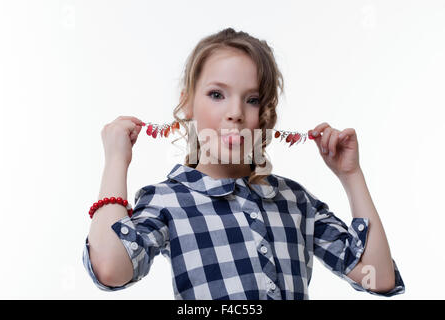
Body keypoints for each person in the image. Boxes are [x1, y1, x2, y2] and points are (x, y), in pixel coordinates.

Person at [82, 27, 405, 299]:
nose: (235, 112)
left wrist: (351, 175)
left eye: (252, 99)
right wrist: (116, 161)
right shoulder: (167, 200)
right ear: (187, 103)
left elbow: (378, 279)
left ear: (265, 113)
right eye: (216, 94)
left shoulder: (295, 200)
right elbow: (111, 270)